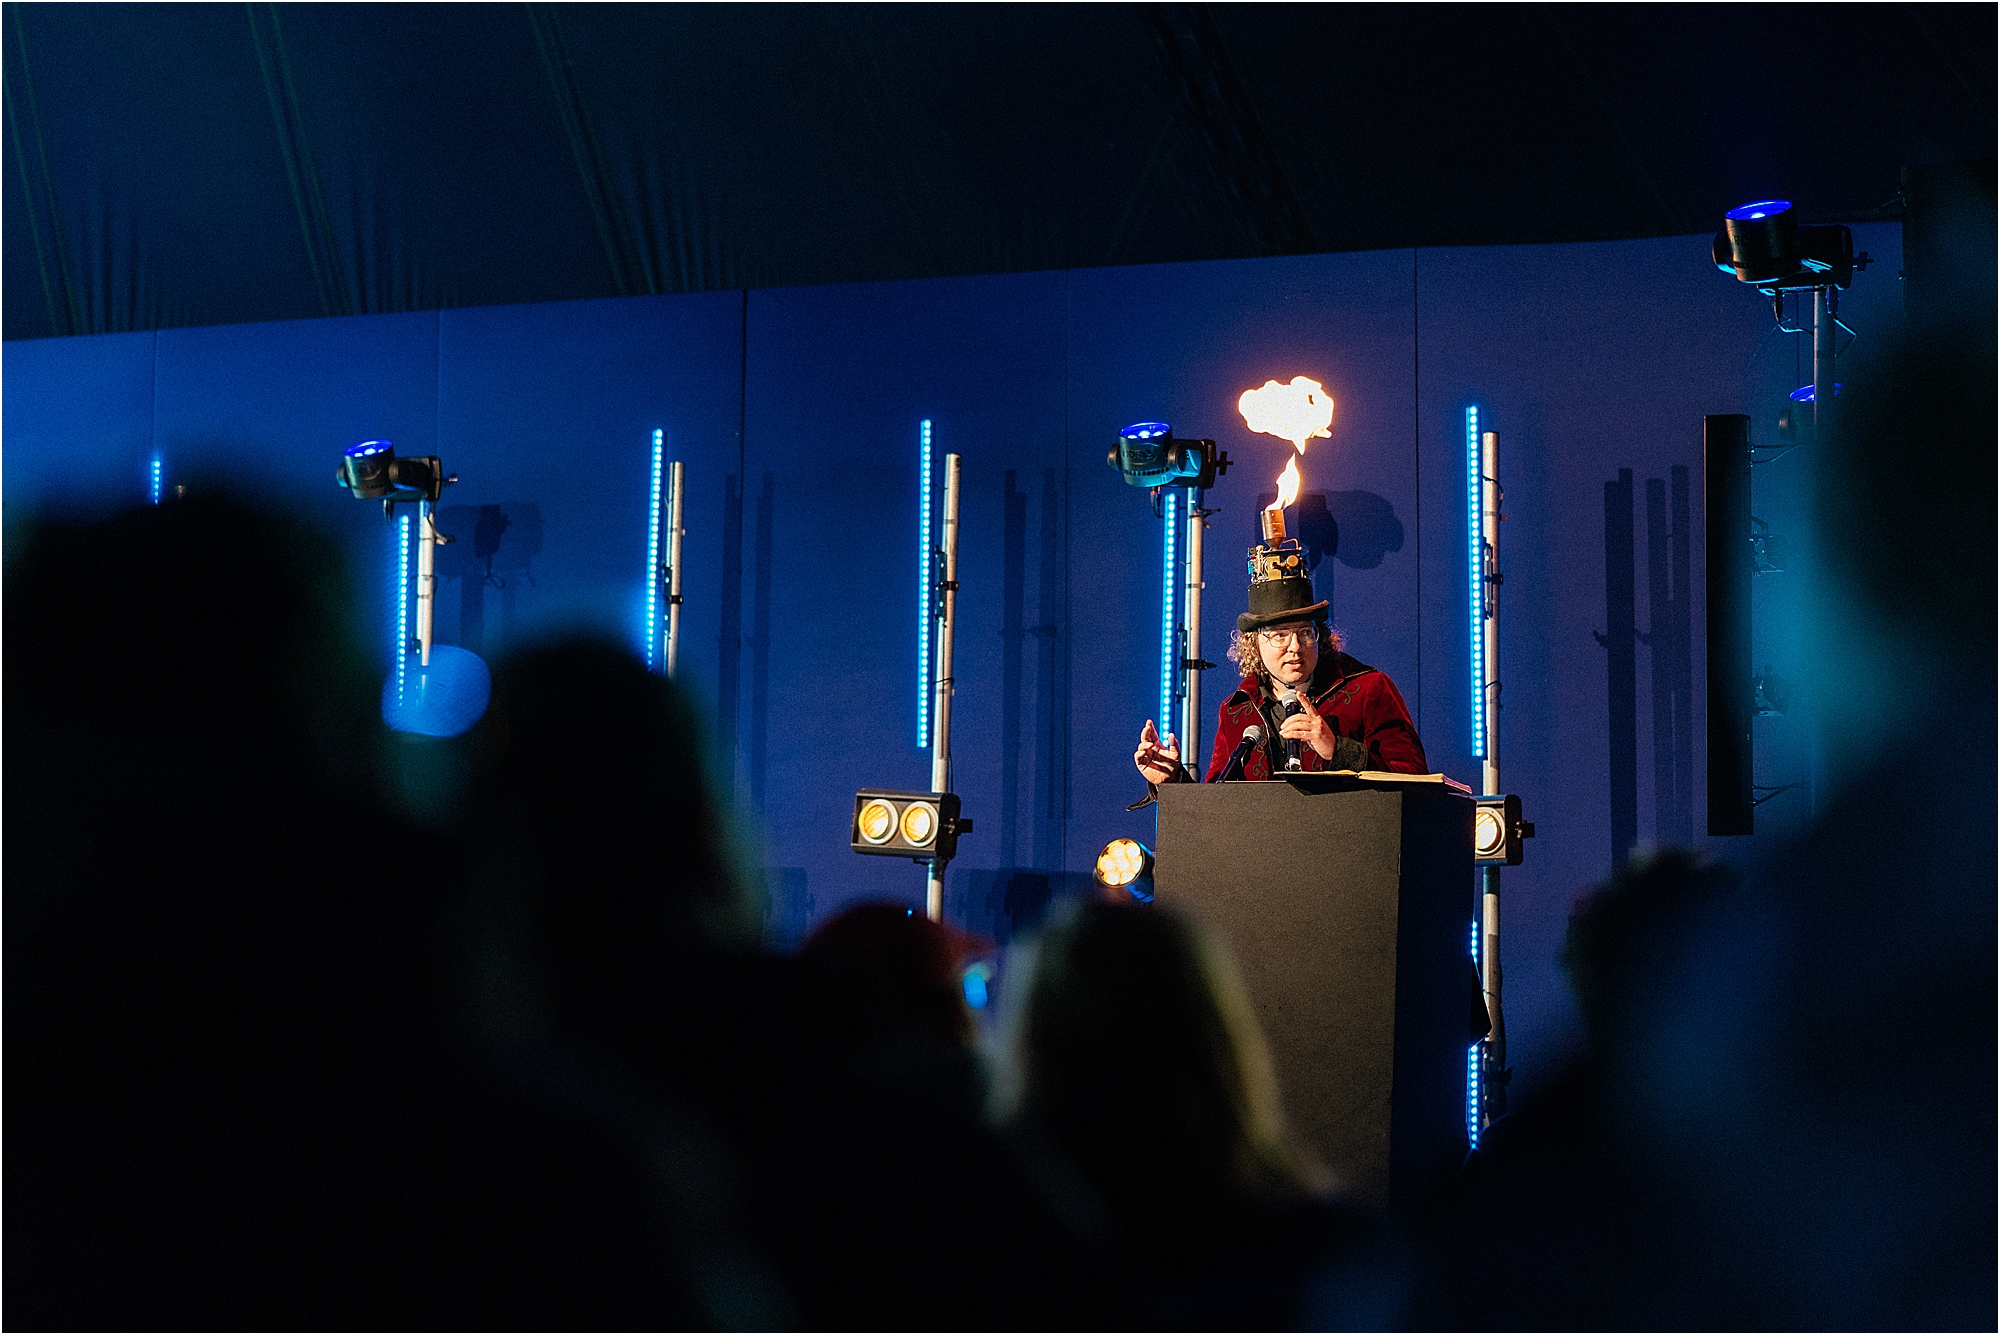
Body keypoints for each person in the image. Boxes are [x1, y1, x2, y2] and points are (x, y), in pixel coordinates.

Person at [1134, 547, 1426, 786]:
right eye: (1279, 635)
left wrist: (1336, 749)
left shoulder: (1368, 689)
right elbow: (1217, 809)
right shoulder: (1236, 710)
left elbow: (1415, 778)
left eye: (1304, 632)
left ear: (1320, 636)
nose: (1295, 647)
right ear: (1254, 644)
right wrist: (1172, 780)